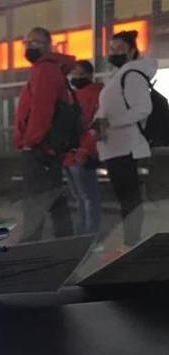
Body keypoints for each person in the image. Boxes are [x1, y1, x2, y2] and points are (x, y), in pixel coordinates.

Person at [93, 30, 156, 252]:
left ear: (131, 50)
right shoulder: (120, 74)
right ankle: (130, 241)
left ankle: (132, 242)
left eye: (119, 49)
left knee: (129, 198)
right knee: (125, 198)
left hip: (125, 147)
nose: (114, 53)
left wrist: (111, 123)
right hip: (115, 147)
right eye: (111, 49)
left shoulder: (132, 74)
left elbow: (142, 108)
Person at [13, 26, 75, 243]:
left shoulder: (44, 70)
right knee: (54, 198)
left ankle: (30, 249)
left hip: (40, 148)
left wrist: (31, 141)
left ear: (48, 45)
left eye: (35, 42)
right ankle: (67, 243)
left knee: (34, 202)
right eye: (27, 42)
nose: (29, 46)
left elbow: (41, 109)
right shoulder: (51, 69)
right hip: (49, 146)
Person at [62, 60, 103, 238]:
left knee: (86, 197)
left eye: (79, 73)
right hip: (73, 153)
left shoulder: (95, 95)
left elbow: (96, 126)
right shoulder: (75, 95)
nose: (75, 77)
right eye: (74, 73)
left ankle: (89, 234)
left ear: (89, 74)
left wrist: (85, 149)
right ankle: (86, 233)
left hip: (79, 153)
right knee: (83, 197)